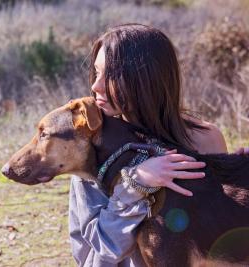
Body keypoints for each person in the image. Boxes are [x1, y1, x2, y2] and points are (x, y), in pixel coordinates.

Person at [69, 23, 248, 267]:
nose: (95, 86)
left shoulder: (205, 138)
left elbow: (220, 236)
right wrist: (135, 184)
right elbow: (92, 259)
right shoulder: (93, 151)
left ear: (147, 77)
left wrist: (240, 173)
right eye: (96, 73)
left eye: (109, 75)